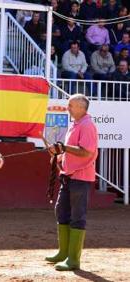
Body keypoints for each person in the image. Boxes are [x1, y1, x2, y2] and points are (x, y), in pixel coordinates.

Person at [45, 94, 98, 271]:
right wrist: (59, 155)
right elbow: (72, 151)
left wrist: (64, 148)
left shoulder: (87, 125)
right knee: (62, 211)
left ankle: (73, 259)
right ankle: (63, 253)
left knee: (77, 216)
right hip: (69, 176)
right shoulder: (76, 124)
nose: (68, 108)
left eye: (71, 106)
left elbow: (86, 152)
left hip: (80, 178)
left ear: (82, 108)